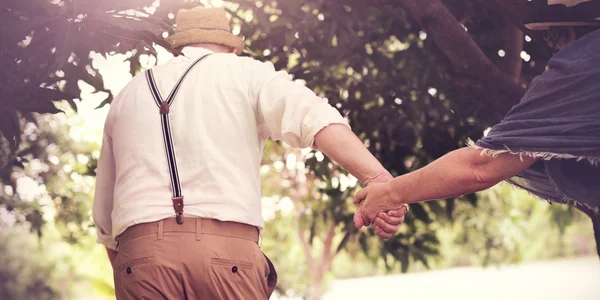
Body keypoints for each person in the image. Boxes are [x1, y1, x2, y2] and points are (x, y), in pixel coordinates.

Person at [92, 6, 407, 300]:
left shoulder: (127, 95)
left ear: (177, 49)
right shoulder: (244, 72)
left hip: (140, 258)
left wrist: (134, 270)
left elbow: (105, 219)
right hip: (226, 255)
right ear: (230, 47)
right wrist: (378, 178)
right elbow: (314, 117)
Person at [354, 0, 600, 256]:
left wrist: (390, 193)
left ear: (575, 30)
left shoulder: (584, 63)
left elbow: (480, 167)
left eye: (553, 35)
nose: (553, 48)